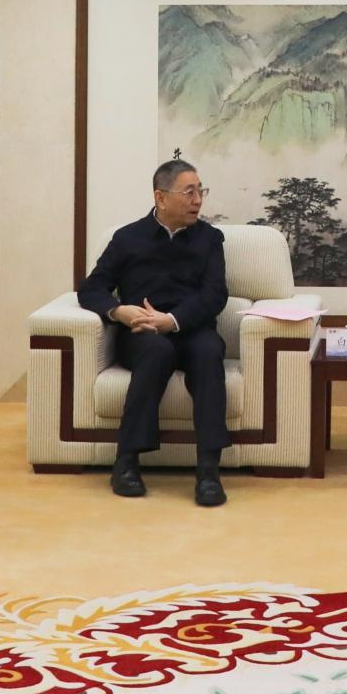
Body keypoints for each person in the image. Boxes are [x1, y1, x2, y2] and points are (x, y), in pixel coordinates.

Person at [78, 159, 231, 506]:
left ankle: (209, 470)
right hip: (142, 333)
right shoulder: (127, 238)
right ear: (161, 198)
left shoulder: (210, 239)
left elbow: (215, 294)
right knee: (157, 351)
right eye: (189, 192)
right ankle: (126, 462)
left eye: (200, 191)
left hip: (190, 327)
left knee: (209, 351)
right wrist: (119, 311)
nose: (197, 200)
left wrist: (172, 320)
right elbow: (91, 289)